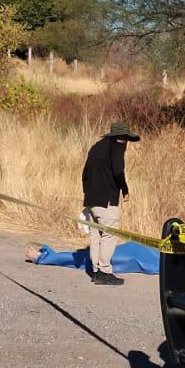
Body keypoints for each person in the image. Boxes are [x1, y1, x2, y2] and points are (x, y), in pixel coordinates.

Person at [81, 121, 139, 286]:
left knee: (95, 235)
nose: (126, 143)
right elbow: (118, 171)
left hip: (91, 200)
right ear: (121, 138)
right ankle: (105, 271)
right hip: (106, 200)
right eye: (126, 139)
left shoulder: (96, 147)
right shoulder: (117, 147)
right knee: (109, 234)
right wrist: (125, 190)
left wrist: (88, 193)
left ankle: (96, 270)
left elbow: (84, 174)